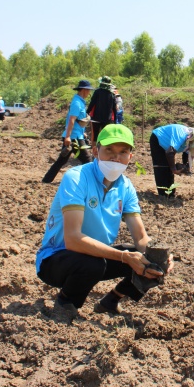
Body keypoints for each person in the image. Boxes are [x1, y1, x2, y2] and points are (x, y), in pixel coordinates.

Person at [35, 124, 174, 316]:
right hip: (56, 259)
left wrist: (159, 257)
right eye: (109, 150)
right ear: (95, 151)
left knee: (152, 260)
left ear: (130, 156)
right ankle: (65, 303)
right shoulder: (76, 178)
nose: (116, 157)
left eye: (123, 152)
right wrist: (124, 257)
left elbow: (141, 237)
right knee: (94, 264)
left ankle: (111, 301)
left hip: (95, 256)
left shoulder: (126, 187)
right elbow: (73, 239)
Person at [42, 80, 95, 183]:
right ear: (84, 90)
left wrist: (82, 132)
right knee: (87, 160)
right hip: (74, 137)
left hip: (77, 135)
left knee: (62, 160)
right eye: (88, 90)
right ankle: (92, 182)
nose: (89, 93)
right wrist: (67, 137)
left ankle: (46, 180)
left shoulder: (80, 102)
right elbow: (71, 120)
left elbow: (77, 120)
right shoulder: (77, 103)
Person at [150, 124, 194, 197]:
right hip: (158, 139)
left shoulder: (190, 140)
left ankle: (170, 193)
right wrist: (174, 170)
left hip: (168, 147)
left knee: (169, 168)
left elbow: (186, 154)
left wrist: (185, 166)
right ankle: (163, 195)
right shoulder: (181, 136)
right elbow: (170, 152)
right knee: (162, 167)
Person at [87, 76, 117, 142]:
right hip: (107, 119)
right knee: (105, 136)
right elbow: (114, 108)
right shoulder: (112, 94)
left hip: (96, 118)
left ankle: (95, 148)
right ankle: (103, 148)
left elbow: (92, 103)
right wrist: (115, 120)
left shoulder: (97, 92)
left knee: (96, 136)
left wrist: (87, 112)